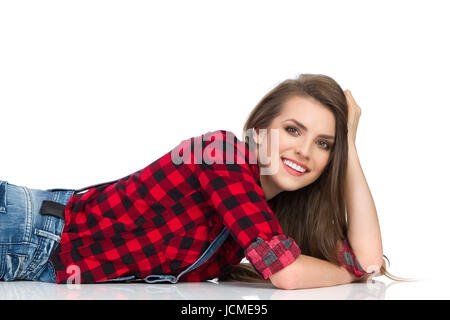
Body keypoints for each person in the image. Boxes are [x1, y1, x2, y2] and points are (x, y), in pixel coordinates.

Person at [0, 74, 399, 289]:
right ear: (259, 131)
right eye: (293, 131)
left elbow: (365, 258)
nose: (305, 151)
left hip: (42, 261)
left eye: (324, 143)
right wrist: (351, 274)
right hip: (27, 230)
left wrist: (351, 147)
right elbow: (289, 274)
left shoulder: (259, 214)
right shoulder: (223, 154)